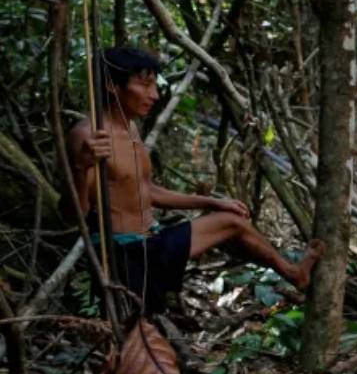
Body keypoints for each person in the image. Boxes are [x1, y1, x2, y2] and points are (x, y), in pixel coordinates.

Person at [63, 47, 323, 317]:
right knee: (137, 338)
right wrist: (80, 169)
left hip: (154, 242)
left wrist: (210, 202)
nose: (153, 95)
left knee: (232, 221)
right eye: (144, 84)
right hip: (124, 257)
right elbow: (74, 216)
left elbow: (145, 190)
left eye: (155, 85)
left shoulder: (130, 127)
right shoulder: (87, 136)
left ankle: (294, 273)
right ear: (112, 85)